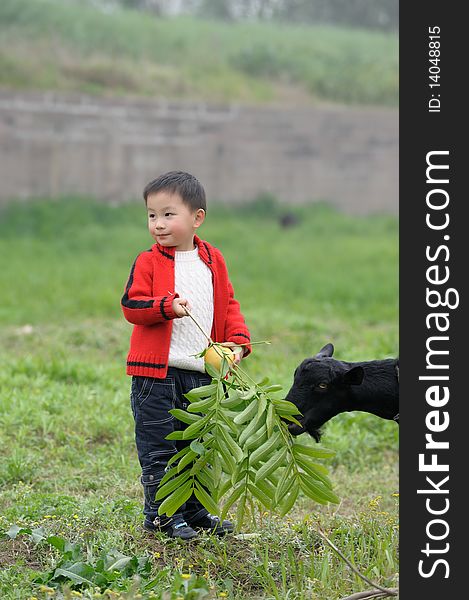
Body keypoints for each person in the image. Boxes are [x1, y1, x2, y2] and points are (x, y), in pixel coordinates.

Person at [121, 171, 251, 540]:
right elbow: (132, 305)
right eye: (151, 215)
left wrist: (238, 342)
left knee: (197, 449)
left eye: (168, 215)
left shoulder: (212, 260)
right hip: (156, 376)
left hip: (202, 375)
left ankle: (194, 513)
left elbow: (228, 305)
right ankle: (162, 516)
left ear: (197, 218)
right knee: (160, 448)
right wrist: (166, 307)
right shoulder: (148, 262)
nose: (158, 225)